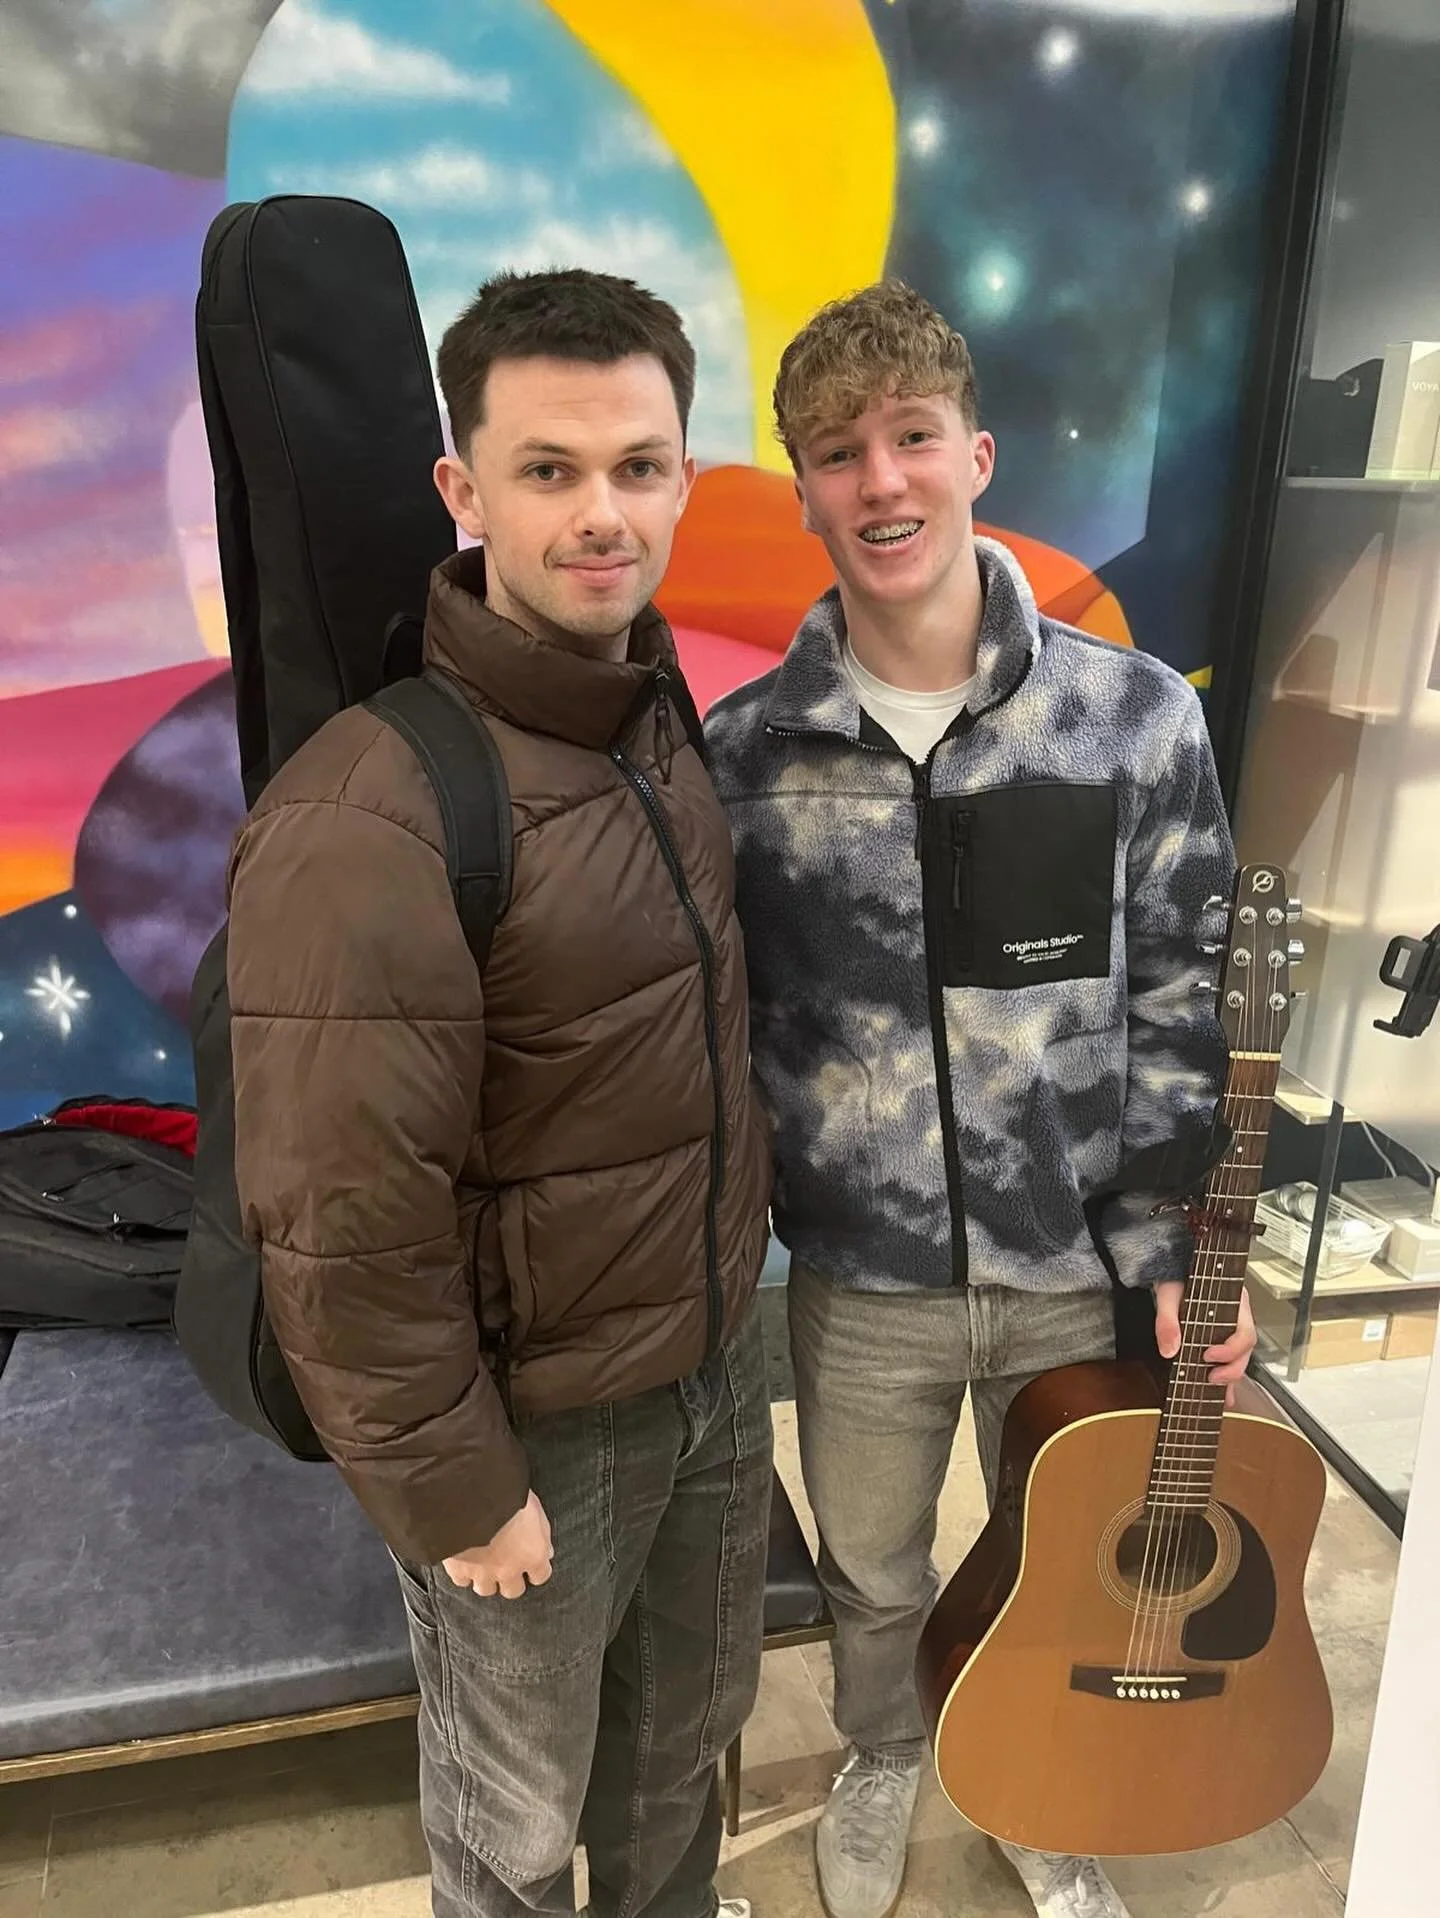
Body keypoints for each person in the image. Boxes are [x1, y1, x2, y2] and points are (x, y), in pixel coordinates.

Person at [225, 269, 774, 1918]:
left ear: (685, 475)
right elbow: (338, 1215)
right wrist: (459, 1487)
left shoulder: (655, 715)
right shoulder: (377, 803)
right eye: (549, 469)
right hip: (536, 1431)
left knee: (685, 1751)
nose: (603, 514)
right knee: (516, 1827)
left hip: (709, 1369)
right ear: (465, 491)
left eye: (639, 465)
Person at [704, 280, 1256, 1918]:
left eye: (912, 440)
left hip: (1077, 1263)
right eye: (838, 452)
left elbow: (1189, 1003)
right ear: (802, 486)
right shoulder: (743, 754)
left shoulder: (1133, 719)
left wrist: (1180, 1252)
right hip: (860, 1279)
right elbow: (725, 1035)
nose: (881, 482)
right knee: (872, 1567)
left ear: (975, 455)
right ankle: (887, 1748)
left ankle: (1029, 1774)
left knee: (1054, 1556)